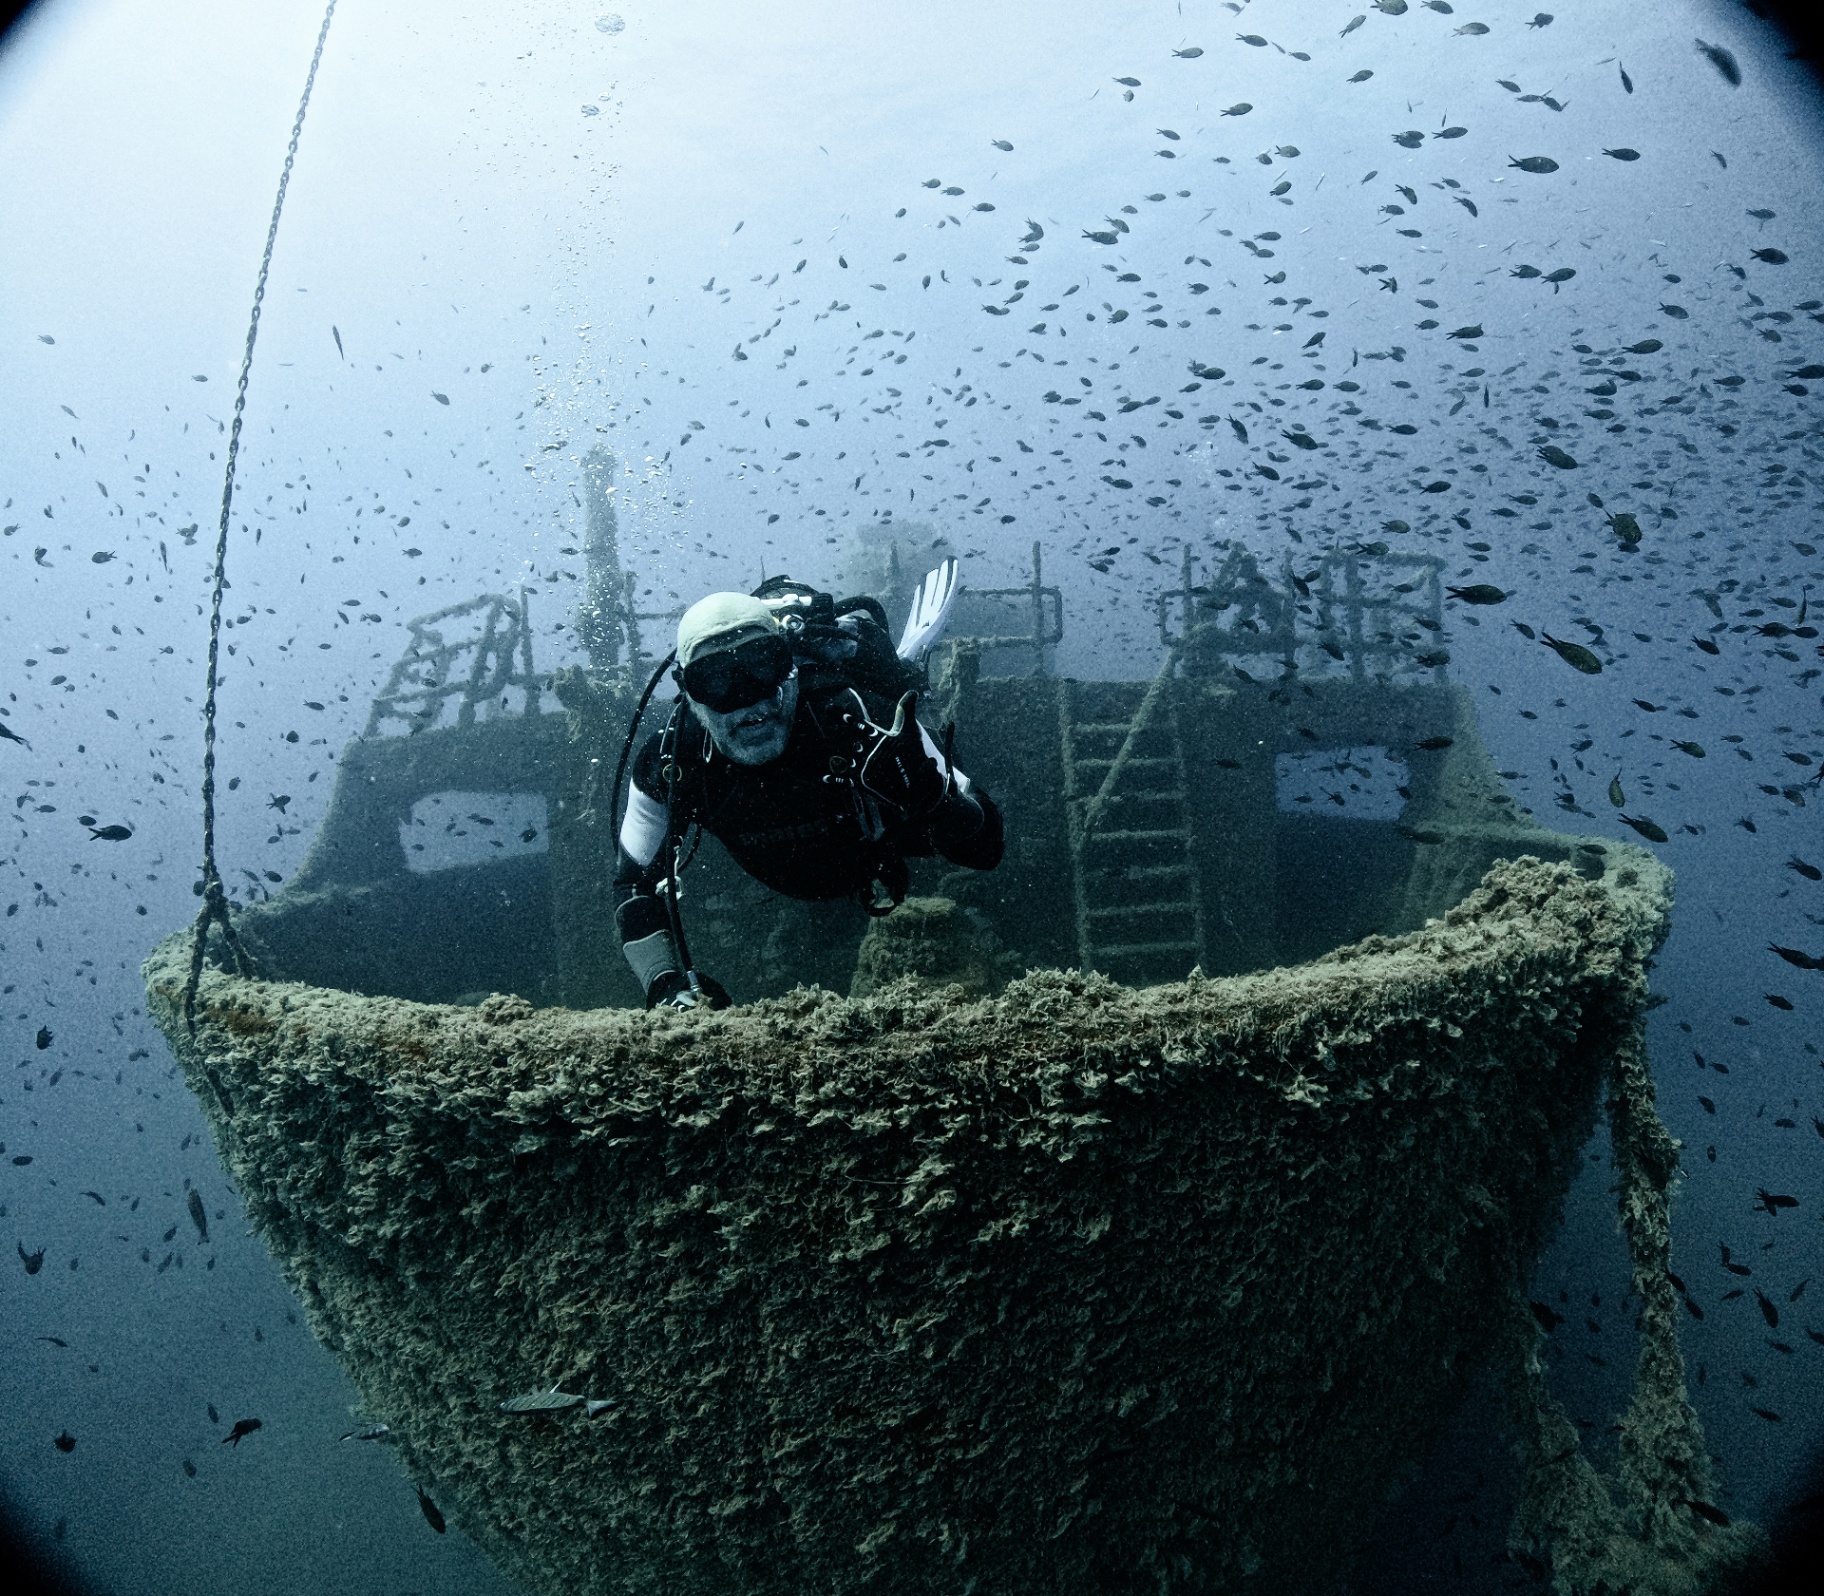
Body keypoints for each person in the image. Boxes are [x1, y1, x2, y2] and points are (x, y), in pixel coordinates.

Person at [611, 580, 1003, 1009]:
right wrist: (664, 984)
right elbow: (634, 884)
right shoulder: (671, 762)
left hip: (872, 849)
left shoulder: (859, 719)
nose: (748, 701)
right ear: (689, 694)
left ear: (791, 668)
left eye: (762, 666)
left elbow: (987, 850)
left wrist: (934, 800)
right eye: (715, 681)